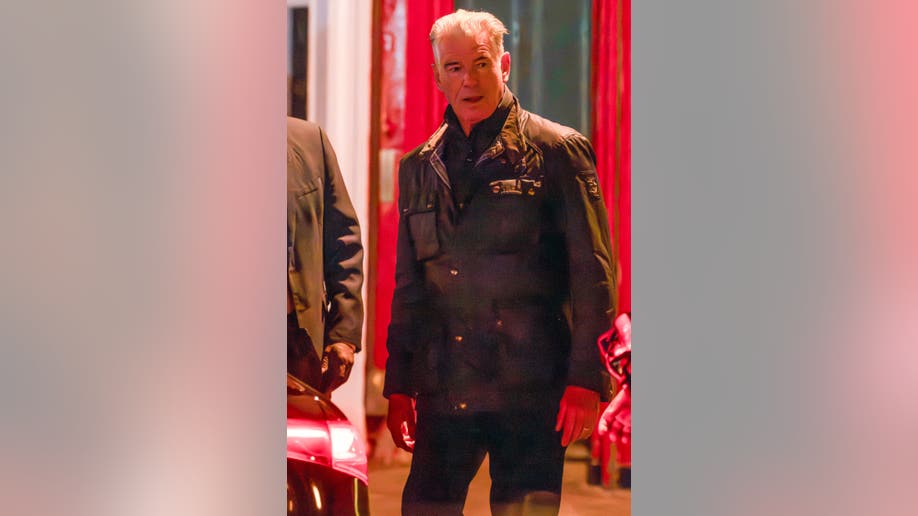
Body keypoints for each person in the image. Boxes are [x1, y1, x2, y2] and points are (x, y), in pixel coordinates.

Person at [383, 10, 616, 515]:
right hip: (446, 389)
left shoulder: (558, 152)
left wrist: (586, 380)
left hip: (529, 391)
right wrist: (399, 385)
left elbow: (593, 272)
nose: (468, 80)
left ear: (504, 64)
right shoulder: (420, 167)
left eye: (481, 63)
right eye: (454, 68)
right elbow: (410, 289)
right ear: (437, 76)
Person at [287, 117, 364, 395]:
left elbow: (344, 243)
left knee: (304, 439)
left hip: (298, 346)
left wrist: (344, 333)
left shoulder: (310, 141)